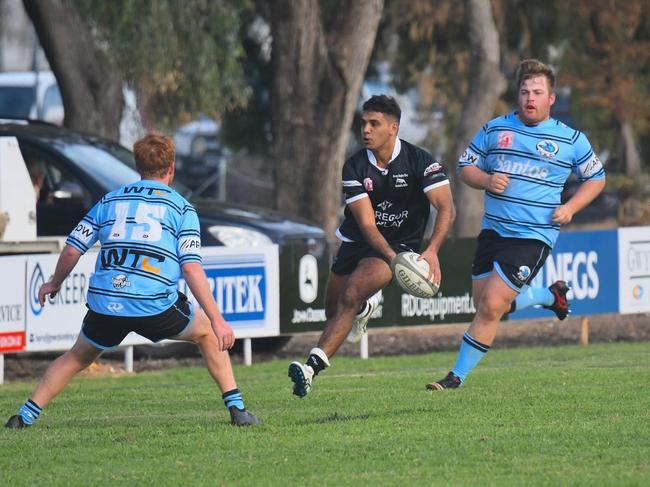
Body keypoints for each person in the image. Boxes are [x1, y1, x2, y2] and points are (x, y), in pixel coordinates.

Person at [5, 134, 261, 428]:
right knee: (206, 332)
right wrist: (218, 320)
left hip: (106, 304)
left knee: (76, 356)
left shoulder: (110, 200)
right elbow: (191, 269)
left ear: (137, 167)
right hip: (152, 303)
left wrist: (54, 283)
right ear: (171, 168)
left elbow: (74, 248)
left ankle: (23, 416)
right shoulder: (181, 208)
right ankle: (238, 410)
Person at [427, 59, 606, 391]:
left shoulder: (570, 140)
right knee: (482, 302)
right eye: (525, 91)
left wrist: (571, 207)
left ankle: (455, 378)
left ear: (551, 98)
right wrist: (486, 179)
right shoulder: (495, 128)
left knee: (493, 305)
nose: (530, 98)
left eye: (538, 92)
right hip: (493, 230)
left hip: (533, 236)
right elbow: (465, 166)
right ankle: (550, 297)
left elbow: (597, 177)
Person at [288, 95, 455, 398]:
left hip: (398, 243)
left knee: (350, 296)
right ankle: (367, 306)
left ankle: (310, 369)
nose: (365, 129)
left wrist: (429, 252)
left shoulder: (421, 161)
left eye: (373, 124)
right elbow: (367, 225)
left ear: (393, 128)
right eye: (363, 123)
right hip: (357, 241)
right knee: (333, 308)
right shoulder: (354, 167)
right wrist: (396, 260)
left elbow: (446, 208)